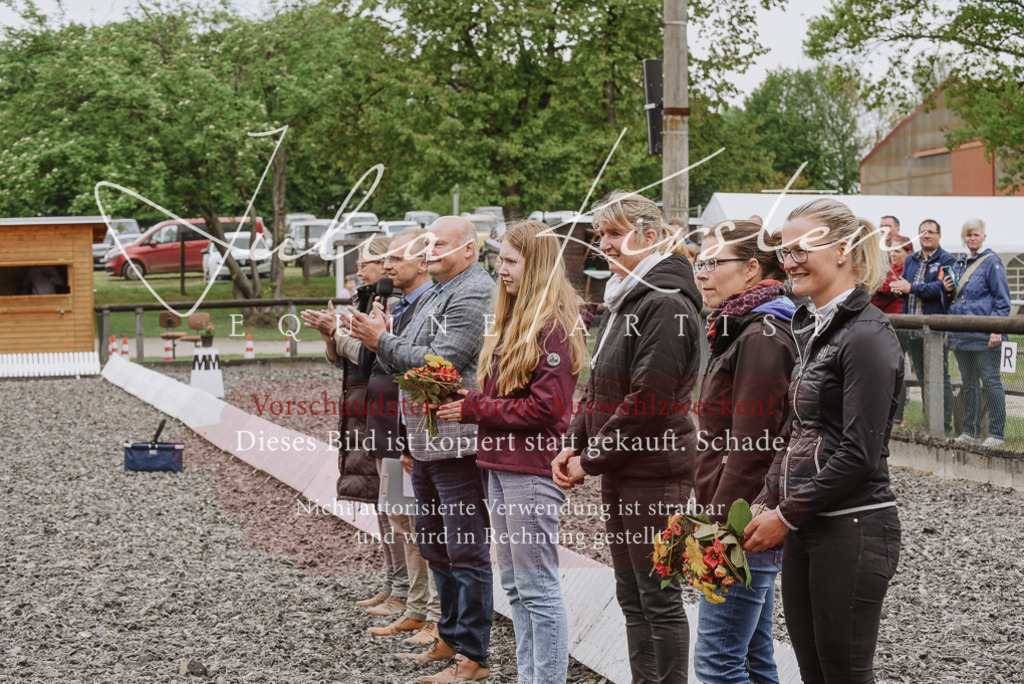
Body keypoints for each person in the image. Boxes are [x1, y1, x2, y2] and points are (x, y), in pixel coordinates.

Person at [744, 198, 903, 684]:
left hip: (853, 528)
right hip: (810, 526)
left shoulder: (868, 335)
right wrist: (763, 502)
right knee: (813, 672)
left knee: (845, 675)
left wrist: (787, 513)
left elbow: (860, 451)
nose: (789, 262)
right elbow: (797, 431)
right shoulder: (815, 325)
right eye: (785, 252)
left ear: (842, 250)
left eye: (800, 250)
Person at [552, 190, 701, 684]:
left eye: (616, 234)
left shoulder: (664, 303)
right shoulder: (628, 297)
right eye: (602, 236)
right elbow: (600, 385)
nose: (606, 246)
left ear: (651, 237)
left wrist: (590, 459)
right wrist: (575, 439)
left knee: (658, 596)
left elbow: (648, 401)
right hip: (623, 468)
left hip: (656, 474)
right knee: (633, 594)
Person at [436, 220, 587, 684]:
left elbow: (546, 408)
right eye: (499, 259)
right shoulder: (514, 318)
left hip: (531, 470)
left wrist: (473, 407)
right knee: (516, 588)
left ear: (535, 265)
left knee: (537, 589)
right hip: (499, 464)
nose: (500, 269)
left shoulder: (552, 326)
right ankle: (530, 676)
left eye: (510, 261)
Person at [348, 216, 496, 683]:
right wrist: (387, 342)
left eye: (439, 245)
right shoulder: (435, 291)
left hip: (456, 442)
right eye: (425, 245)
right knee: (434, 542)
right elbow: (401, 359)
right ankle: (449, 636)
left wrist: (382, 340)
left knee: (465, 548)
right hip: (425, 439)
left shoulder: (473, 292)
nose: (429, 252)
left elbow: (442, 362)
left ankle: (474, 655)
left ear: (469, 250)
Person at [691, 220, 797, 684]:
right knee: (753, 656)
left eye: (714, 263)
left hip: (741, 521)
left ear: (752, 268)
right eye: (699, 263)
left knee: (717, 663)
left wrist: (717, 529)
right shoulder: (742, 326)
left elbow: (752, 448)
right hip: (741, 514)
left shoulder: (761, 335)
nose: (702, 273)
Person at [300, 235, 412, 619]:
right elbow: (344, 361)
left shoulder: (394, 302)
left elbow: (369, 357)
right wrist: (330, 336)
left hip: (386, 409)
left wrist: (338, 333)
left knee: (397, 504)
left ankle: (407, 591)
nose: (358, 269)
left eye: (365, 262)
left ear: (385, 265)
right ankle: (394, 581)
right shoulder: (364, 299)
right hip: (366, 407)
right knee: (382, 502)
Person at [357, 230, 444, 643]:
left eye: (395, 259)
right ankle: (415, 605)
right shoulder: (401, 304)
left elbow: (418, 368)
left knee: (415, 523)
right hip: (389, 426)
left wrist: (378, 338)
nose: (387, 267)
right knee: (399, 518)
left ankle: (430, 612)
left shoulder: (428, 307)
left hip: (407, 429)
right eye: (385, 259)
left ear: (422, 263)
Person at [943, 218, 1011, 447]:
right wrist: (947, 290)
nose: (972, 238)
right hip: (962, 335)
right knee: (969, 383)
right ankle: (970, 431)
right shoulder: (959, 265)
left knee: (991, 382)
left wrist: (996, 328)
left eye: (975, 234)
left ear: (983, 236)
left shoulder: (992, 262)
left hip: (984, 335)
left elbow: (1002, 300)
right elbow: (953, 301)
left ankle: (996, 433)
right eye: (968, 235)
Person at [890, 219, 955, 433]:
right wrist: (900, 287)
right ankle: (930, 422)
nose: (926, 235)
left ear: (939, 235)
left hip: (934, 329)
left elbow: (941, 288)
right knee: (923, 378)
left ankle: (943, 424)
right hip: (913, 329)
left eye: (931, 232)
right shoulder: (911, 260)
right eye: (923, 232)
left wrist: (911, 288)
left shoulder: (947, 260)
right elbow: (907, 283)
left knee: (940, 377)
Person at [872, 234, 914, 427]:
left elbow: (889, 287)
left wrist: (881, 284)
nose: (893, 254)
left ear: (908, 252)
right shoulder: (886, 269)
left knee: (897, 370)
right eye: (891, 251)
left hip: (897, 326)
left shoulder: (907, 269)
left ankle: (897, 416)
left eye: (897, 251)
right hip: (879, 323)